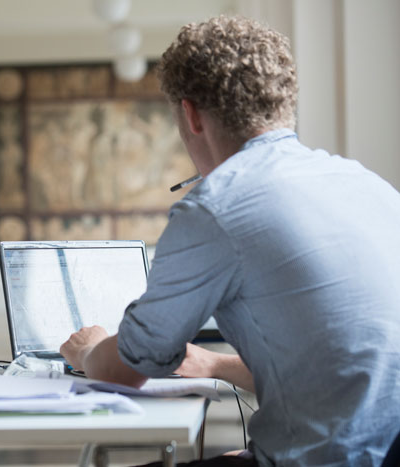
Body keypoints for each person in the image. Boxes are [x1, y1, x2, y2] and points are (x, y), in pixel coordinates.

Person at [60, 15, 400, 467]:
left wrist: (89, 350)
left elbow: (124, 371)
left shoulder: (216, 206)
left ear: (191, 115)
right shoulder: (366, 184)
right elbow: (352, 371)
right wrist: (217, 365)